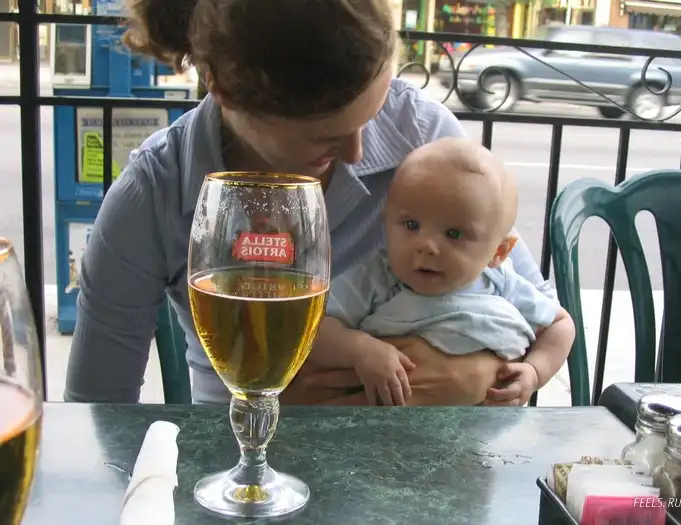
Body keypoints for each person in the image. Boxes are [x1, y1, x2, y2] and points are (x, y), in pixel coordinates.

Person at [64, 0, 558, 405]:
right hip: (234, 461)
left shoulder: (422, 137)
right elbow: (97, 411)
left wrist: (470, 377)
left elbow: (525, 304)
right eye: (324, 139)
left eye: (370, 114)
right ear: (222, 87)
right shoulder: (155, 193)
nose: (357, 153)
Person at [311, 138, 575, 406]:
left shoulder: (501, 283)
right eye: (411, 225)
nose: (427, 246)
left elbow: (560, 326)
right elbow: (315, 328)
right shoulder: (377, 277)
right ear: (385, 223)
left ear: (499, 252)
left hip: (481, 427)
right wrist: (359, 350)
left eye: (453, 234)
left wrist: (534, 371)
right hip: (389, 424)